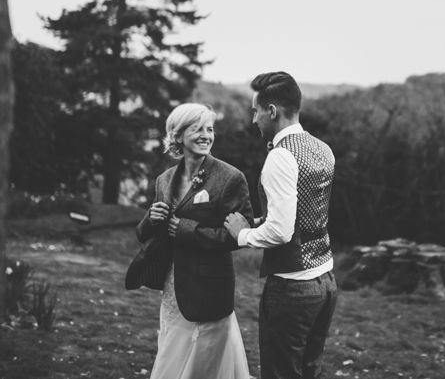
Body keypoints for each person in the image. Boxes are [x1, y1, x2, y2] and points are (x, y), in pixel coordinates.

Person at [224, 71, 338, 379]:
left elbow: (281, 231)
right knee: (308, 370)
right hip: (325, 283)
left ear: (272, 111)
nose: (254, 120)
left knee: (280, 373)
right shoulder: (322, 149)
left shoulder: (280, 156)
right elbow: (306, 215)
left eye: (256, 111)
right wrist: (265, 220)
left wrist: (243, 234)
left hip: (292, 287)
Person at [131, 102, 253, 379]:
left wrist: (188, 230)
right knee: (171, 355)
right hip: (172, 289)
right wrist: (152, 218)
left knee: (205, 365)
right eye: (197, 129)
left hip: (209, 287)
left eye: (209, 129)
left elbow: (239, 236)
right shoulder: (164, 180)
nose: (206, 135)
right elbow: (143, 234)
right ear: (178, 135)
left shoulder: (230, 178)